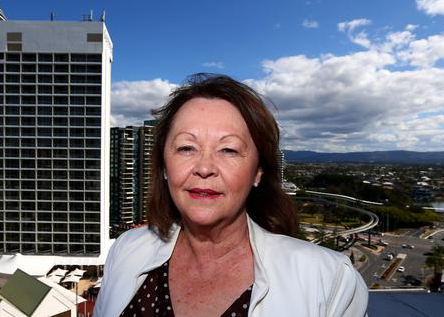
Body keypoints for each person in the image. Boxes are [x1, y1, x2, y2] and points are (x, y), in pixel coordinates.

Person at [94, 74, 368, 316]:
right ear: (164, 165)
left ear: (258, 171)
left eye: (229, 150)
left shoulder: (329, 282)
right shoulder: (126, 250)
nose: (204, 168)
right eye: (187, 147)